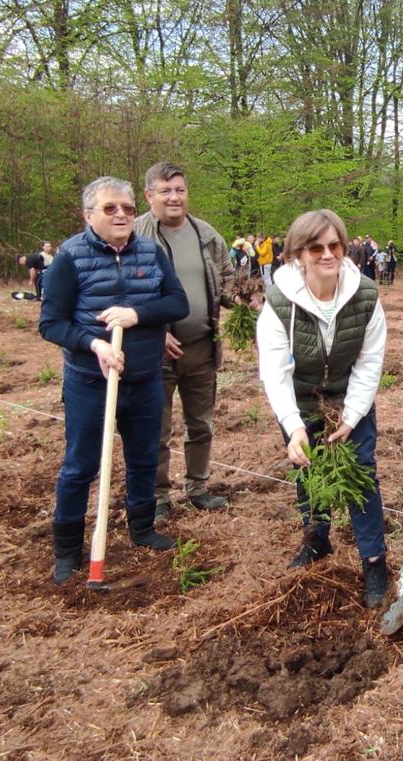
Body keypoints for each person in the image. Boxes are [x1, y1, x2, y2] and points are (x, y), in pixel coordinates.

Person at [39, 176, 189, 584]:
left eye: (126, 208)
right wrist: (94, 344)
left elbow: (178, 302)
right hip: (91, 382)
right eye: (110, 208)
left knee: (144, 458)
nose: (121, 215)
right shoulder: (70, 257)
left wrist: (137, 315)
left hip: (144, 379)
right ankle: (67, 551)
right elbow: (51, 323)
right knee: (80, 466)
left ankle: (142, 529)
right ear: (89, 215)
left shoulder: (151, 252)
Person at [256, 209, 390, 608]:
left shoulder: (365, 295)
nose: (327, 254)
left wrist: (352, 414)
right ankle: (317, 538)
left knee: (361, 472)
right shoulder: (279, 301)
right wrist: (294, 426)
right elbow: (275, 371)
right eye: (316, 248)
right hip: (302, 397)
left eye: (334, 246)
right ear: (298, 253)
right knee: (307, 468)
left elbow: (370, 360)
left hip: (350, 396)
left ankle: (374, 561)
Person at [135, 162, 235, 524]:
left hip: (201, 349)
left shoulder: (206, 235)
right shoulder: (135, 236)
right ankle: (158, 496)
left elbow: (227, 280)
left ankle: (197, 487)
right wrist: (154, 330)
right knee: (156, 430)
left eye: (180, 190)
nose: (174, 197)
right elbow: (124, 292)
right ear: (149, 195)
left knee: (201, 425)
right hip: (154, 354)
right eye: (165, 191)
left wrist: (246, 299)